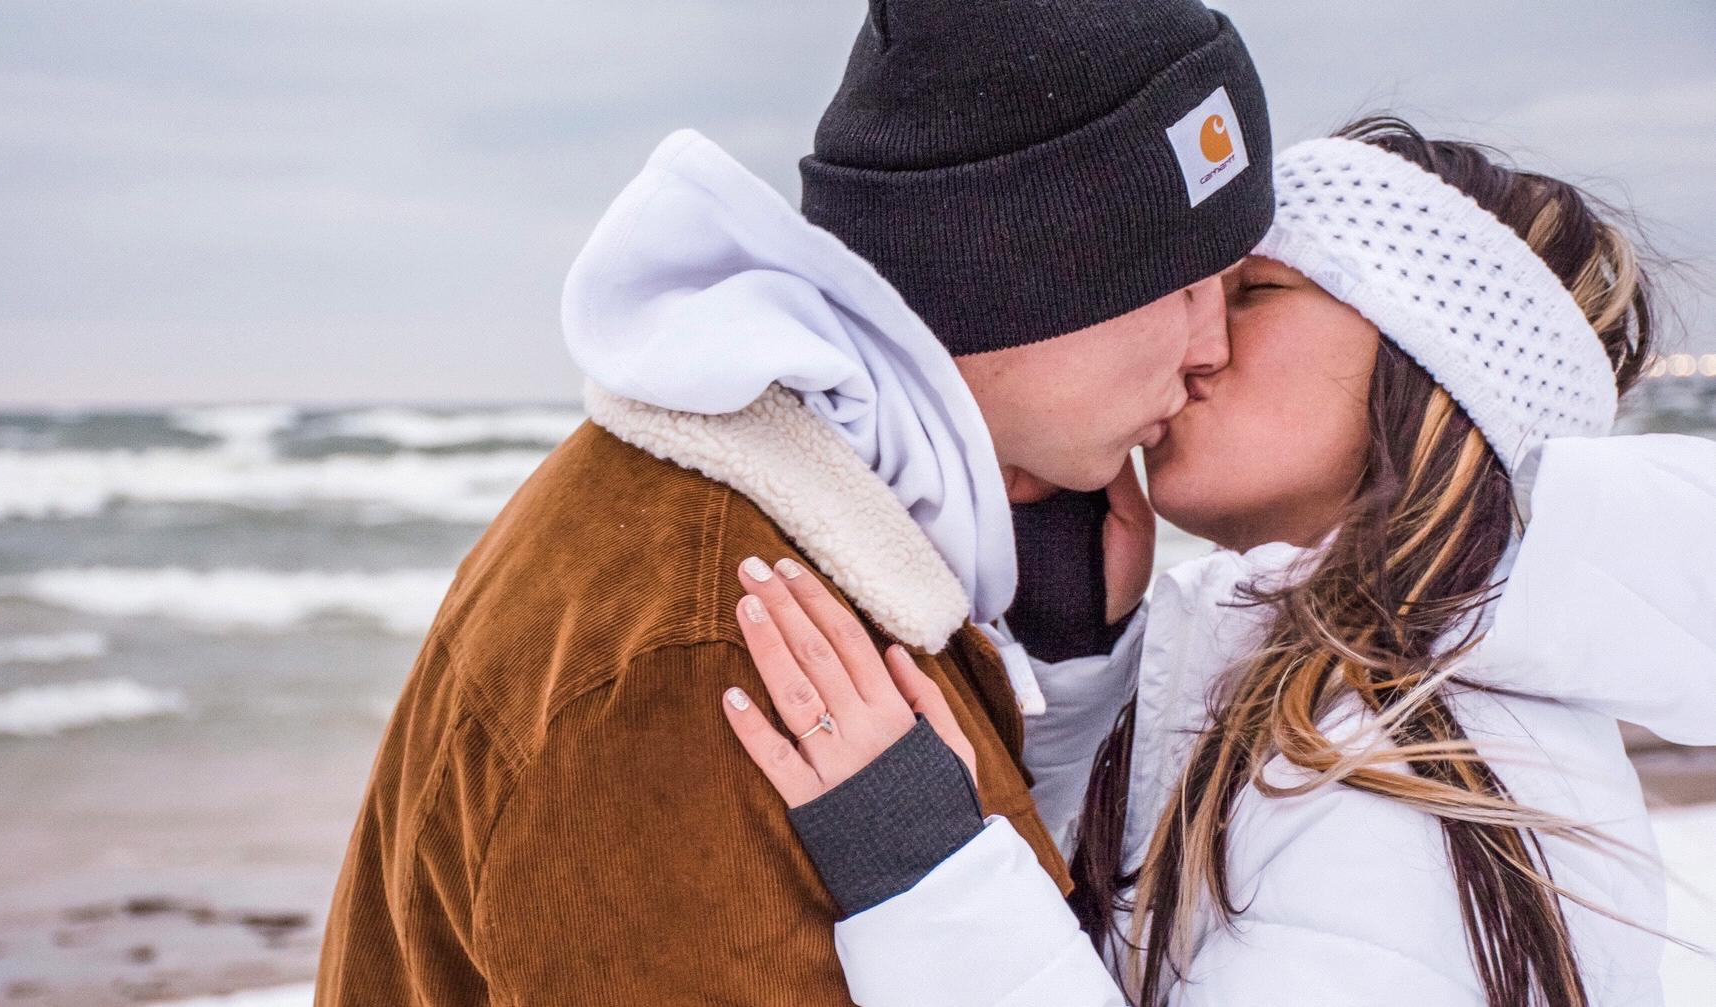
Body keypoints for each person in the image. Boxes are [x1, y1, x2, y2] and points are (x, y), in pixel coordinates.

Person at [314, 1, 1274, 1003]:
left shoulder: (826, 530)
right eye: (1185, 286)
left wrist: (1058, 654)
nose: (1212, 349)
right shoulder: (717, 646)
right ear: (1019, 276)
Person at [720, 118, 1716, 1005]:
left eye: (1252, 292)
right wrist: (1078, 673)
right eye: (1185, 294)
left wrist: (925, 870)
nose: (1192, 344)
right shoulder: (1308, 688)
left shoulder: (1431, 777)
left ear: (1436, 362)